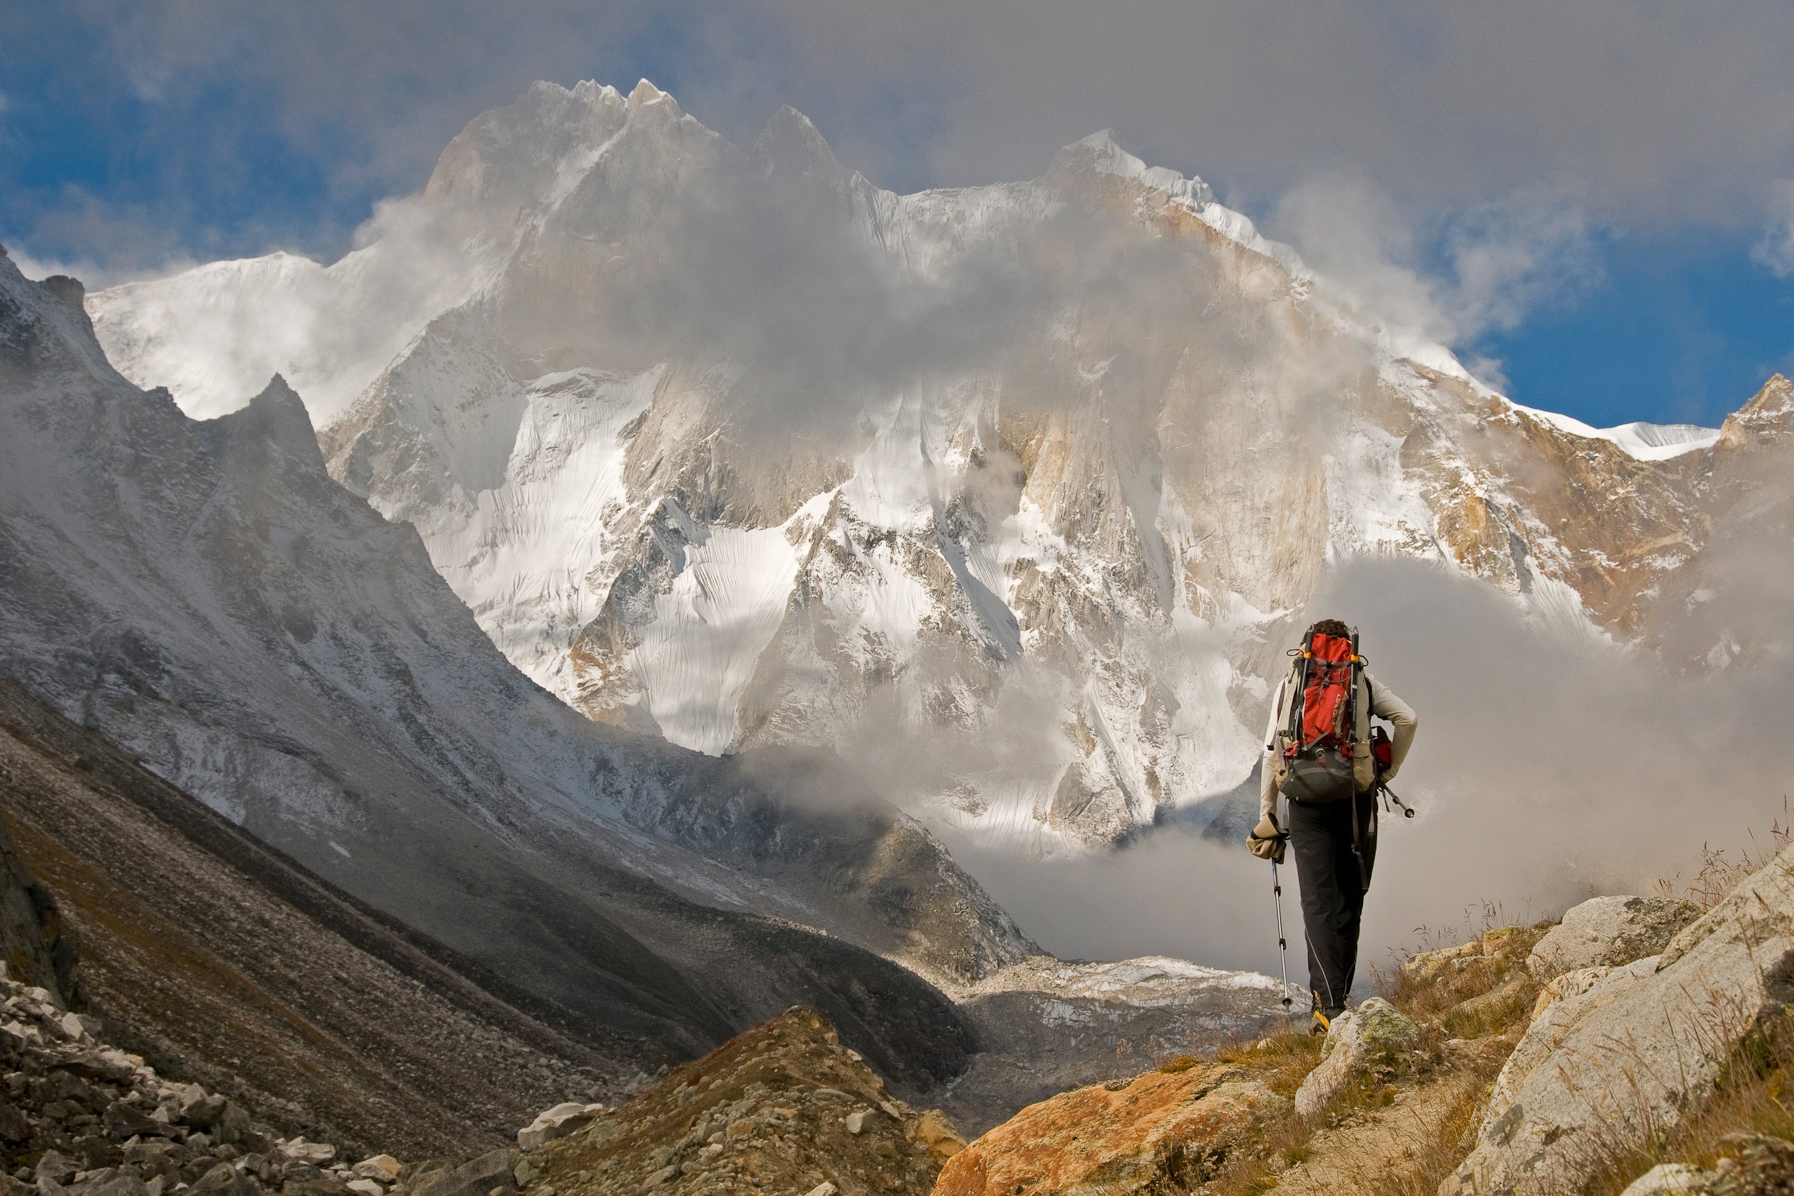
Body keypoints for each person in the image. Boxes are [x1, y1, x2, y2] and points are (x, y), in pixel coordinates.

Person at [1247, 618, 1417, 1033]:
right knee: (1350, 894)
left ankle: (1327, 1005)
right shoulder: (1361, 680)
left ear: (1307, 648)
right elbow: (1408, 719)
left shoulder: (1291, 684)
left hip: (1303, 803)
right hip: (1355, 801)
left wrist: (1267, 812)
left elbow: (1273, 748)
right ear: (1347, 648)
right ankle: (1342, 997)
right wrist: (1388, 771)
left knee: (1317, 902)